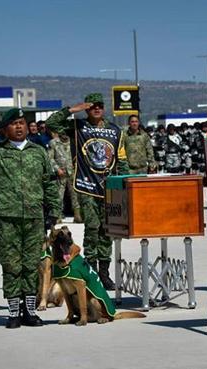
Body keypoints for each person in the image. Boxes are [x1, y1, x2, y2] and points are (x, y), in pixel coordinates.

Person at [46, 93, 130, 290]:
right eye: (92, 106)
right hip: (87, 186)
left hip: (109, 187)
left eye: (99, 106)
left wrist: (125, 185)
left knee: (106, 230)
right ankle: (90, 270)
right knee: (92, 227)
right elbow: (51, 123)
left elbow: (122, 160)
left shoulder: (115, 130)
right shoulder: (78, 127)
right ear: (87, 108)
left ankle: (104, 273)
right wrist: (72, 110)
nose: (96, 109)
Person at [0, 108, 60, 328]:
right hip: (6, 216)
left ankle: (29, 311)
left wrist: (53, 212)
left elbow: (49, 182)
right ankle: (13, 312)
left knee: (31, 264)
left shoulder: (38, 151)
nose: (19, 127)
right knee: (11, 265)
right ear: (5, 128)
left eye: (22, 122)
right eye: (13, 123)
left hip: (34, 216)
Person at [48, 132, 82, 223]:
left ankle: (77, 215)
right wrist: (57, 169)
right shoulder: (53, 143)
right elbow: (50, 158)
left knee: (75, 194)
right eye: (63, 132)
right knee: (58, 195)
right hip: (60, 173)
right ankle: (58, 216)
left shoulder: (75, 141)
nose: (65, 134)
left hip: (73, 172)